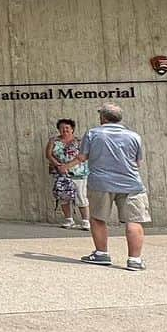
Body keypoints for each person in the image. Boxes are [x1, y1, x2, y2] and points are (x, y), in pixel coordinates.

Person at [78, 103, 149, 270]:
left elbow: (82, 157)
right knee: (134, 220)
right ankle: (135, 260)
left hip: (101, 183)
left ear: (103, 117)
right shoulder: (134, 136)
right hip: (132, 183)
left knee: (97, 218)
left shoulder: (92, 134)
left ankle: (101, 254)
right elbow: (138, 163)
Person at [44, 119, 90, 229]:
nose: (64, 130)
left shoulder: (80, 141)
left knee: (81, 197)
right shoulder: (54, 141)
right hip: (60, 173)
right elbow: (49, 155)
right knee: (63, 196)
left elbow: (83, 156)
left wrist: (67, 166)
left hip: (78, 173)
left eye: (67, 128)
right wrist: (59, 166)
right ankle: (69, 220)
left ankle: (85, 221)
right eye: (62, 128)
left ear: (72, 129)